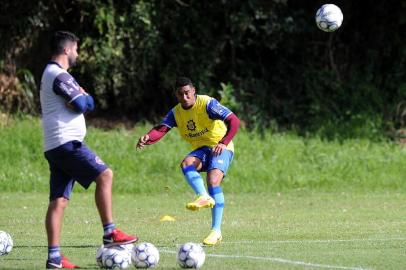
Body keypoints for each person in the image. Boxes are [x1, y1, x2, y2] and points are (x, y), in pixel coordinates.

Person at [40, 31, 138, 269]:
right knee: (105, 174)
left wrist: (81, 99)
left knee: (59, 201)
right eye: (76, 49)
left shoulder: (51, 74)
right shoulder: (59, 75)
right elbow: (85, 104)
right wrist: (82, 97)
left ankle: (54, 258)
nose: (77, 53)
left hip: (55, 145)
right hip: (67, 143)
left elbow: (83, 104)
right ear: (66, 50)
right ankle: (110, 233)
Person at [137, 77, 240, 246]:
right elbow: (162, 129)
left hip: (220, 146)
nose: (184, 97)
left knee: (213, 181)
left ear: (193, 91)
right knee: (186, 163)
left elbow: (234, 121)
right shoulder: (176, 113)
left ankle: (216, 231)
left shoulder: (208, 104)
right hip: (202, 149)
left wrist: (223, 142)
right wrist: (148, 137)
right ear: (176, 95)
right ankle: (203, 196)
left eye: (187, 93)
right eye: (180, 94)